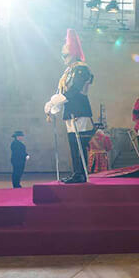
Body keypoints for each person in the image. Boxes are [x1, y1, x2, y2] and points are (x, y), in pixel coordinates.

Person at [46, 29, 94, 184]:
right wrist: (52, 104)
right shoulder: (68, 72)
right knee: (73, 144)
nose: (63, 58)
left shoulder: (81, 69)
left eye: (65, 55)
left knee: (79, 144)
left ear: (73, 53)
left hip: (79, 110)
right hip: (70, 111)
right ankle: (77, 173)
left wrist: (57, 100)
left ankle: (81, 174)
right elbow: (62, 91)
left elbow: (73, 90)